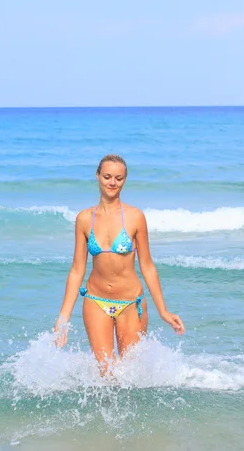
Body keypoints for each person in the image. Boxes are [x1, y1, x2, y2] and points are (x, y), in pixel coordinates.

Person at [53, 154, 185, 374]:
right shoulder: (85, 219)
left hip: (130, 304)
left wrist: (163, 310)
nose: (112, 182)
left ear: (124, 180)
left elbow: (147, 266)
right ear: (97, 176)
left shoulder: (135, 217)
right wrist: (63, 318)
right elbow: (77, 269)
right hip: (96, 301)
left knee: (129, 374)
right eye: (107, 176)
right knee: (106, 372)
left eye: (118, 178)